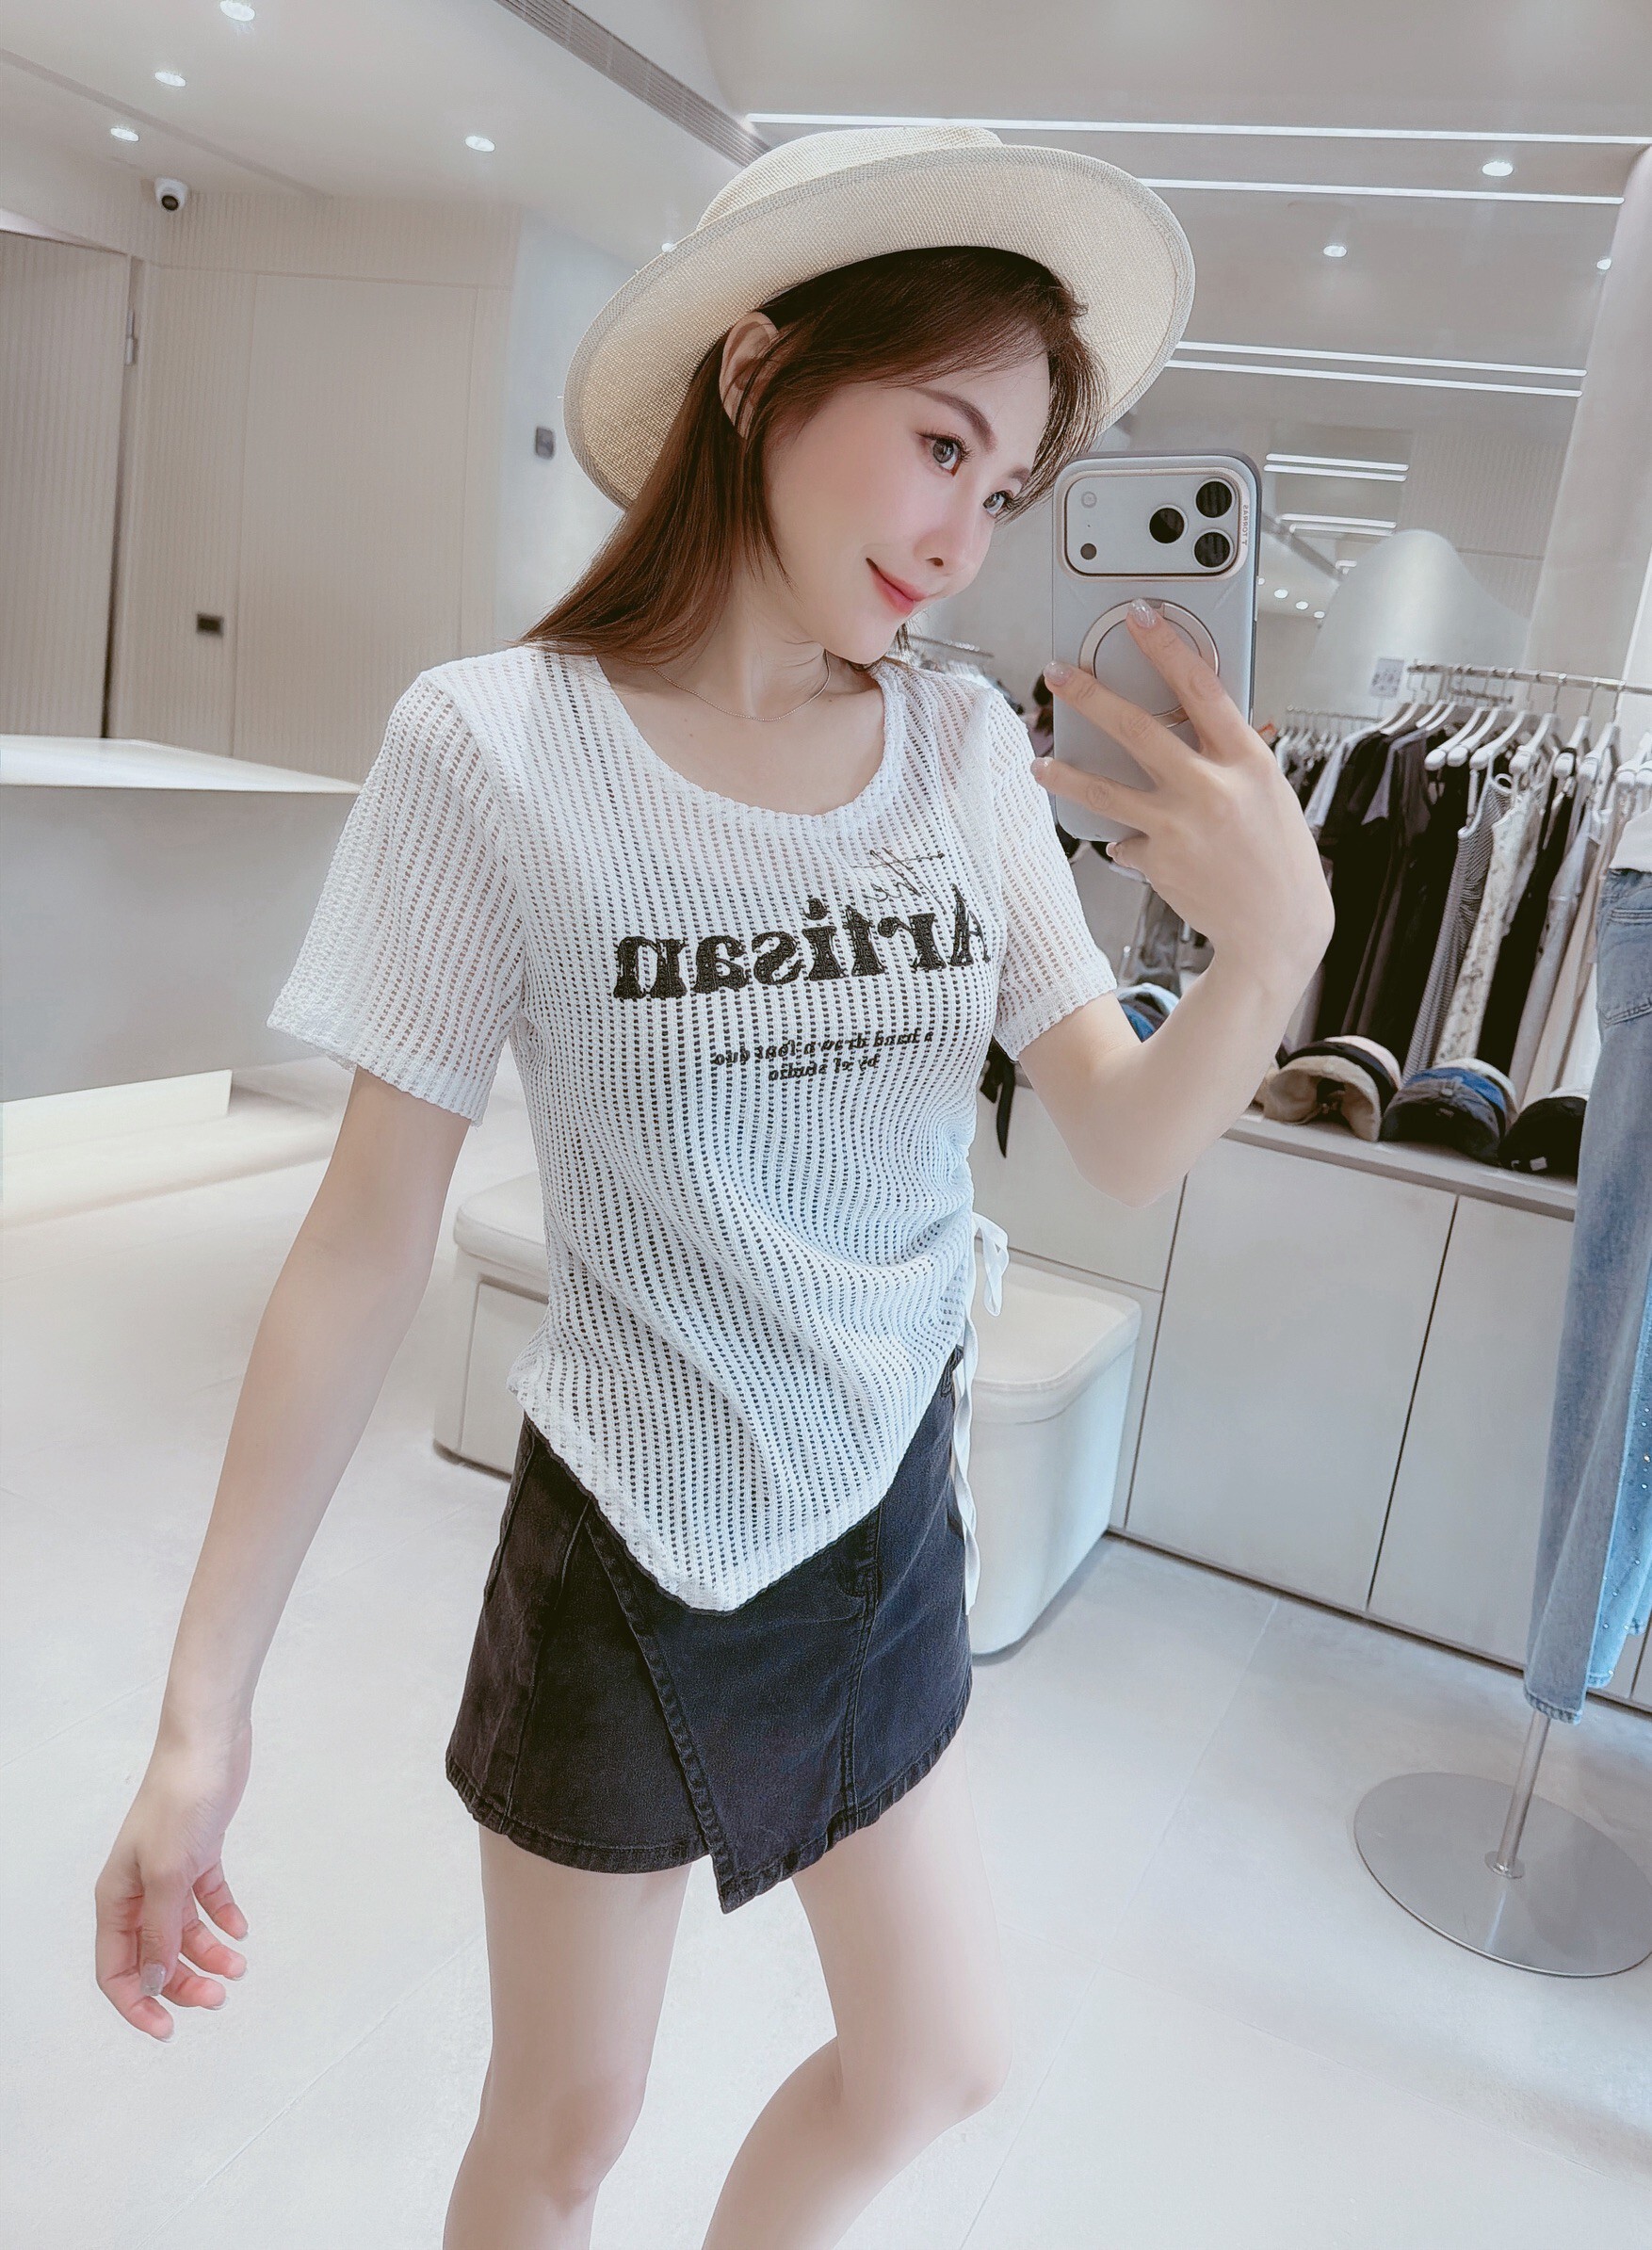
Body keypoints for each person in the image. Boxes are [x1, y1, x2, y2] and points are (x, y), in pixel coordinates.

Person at [92, 123, 1333, 2247]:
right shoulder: (495, 746)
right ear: (758, 370)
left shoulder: (962, 758)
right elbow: (363, 1242)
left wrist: (1273, 947)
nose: (958, 539)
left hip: (884, 1515)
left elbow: (1121, 1140)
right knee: (565, 2127)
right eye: (937, 443)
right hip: (632, 1535)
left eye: (1002, 489)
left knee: (936, 2056)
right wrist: (202, 1716)